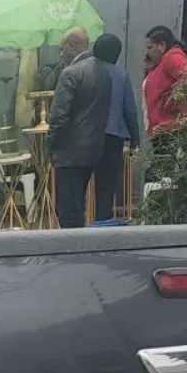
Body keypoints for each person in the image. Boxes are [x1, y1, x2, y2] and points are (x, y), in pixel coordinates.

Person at [47, 28, 112, 229]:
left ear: (72, 46)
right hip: (94, 149)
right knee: (79, 205)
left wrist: (50, 146)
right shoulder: (104, 70)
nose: (61, 54)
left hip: (69, 153)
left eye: (62, 48)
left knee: (68, 210)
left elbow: (58, 117)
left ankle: (71, 252)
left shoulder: (70, 74)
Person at [93, 32, 142, 222]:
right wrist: (135, 139)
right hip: (113, 135)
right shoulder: (121, 75)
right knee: (107, 182)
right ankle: (102, 220)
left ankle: (79, 222)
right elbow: (129, 109)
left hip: (87, 134)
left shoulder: (85, 71)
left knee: (82, 179)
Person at [143, 26, 187, 138]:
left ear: (162, 45)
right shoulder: (160, 63)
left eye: (150, 48)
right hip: (160, 129)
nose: (147, 52)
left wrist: (173, 100)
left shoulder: (172, 56)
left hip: (170, 129)